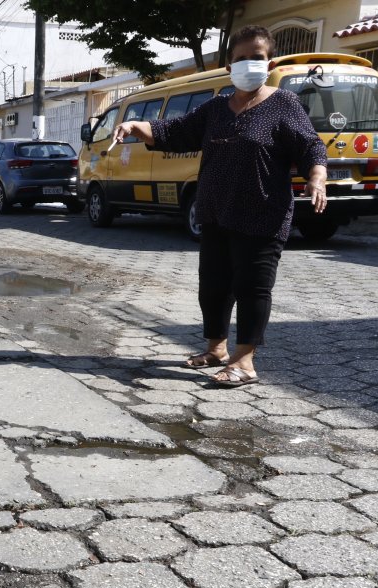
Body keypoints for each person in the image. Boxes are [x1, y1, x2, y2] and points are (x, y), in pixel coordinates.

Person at [113, 25, 328, 387]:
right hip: (214, 212)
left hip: (262, 213)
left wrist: (316, 178)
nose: (249, 64)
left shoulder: (283, 104)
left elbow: (310, 146)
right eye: (241, 59)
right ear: (229, 68)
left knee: (251, 287)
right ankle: (216, 349)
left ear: (269, 62)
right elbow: (173, 131)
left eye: (256, 58)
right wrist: (137, 125)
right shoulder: (216, 108)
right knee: (212, 287)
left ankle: (245, 362)